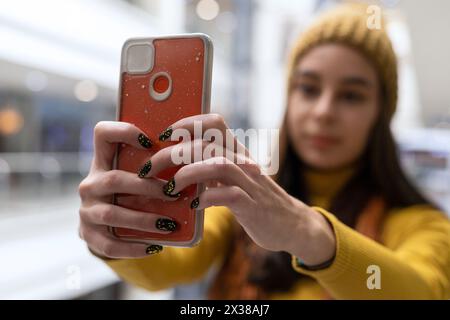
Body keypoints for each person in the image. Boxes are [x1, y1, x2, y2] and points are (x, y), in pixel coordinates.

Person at [78, 3, 450, 299]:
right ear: (289, 98)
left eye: (351, 95)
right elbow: (168, 268)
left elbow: (423, 291)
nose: (323, 111)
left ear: (380, 114)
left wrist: (308, 233)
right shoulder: (242, 203)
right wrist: (117, 234)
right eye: (308, 88)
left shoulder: (422, 224)